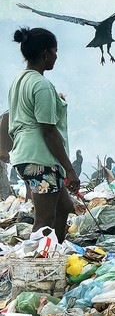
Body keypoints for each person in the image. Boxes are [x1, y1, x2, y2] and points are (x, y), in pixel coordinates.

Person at [8, 27, 80, 241]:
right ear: (45, 54)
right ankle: (36, 267)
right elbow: (48, 131)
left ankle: (54, 253)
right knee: (44, 220)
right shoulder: (41, 85)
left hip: (26, 155)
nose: (57, 57)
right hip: (39, 159)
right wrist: (69, 169)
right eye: (55, 51)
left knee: (65, 207)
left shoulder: (21, 81)